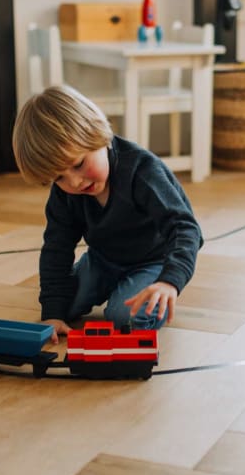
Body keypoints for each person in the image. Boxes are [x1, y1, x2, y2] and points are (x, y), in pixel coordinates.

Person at [12, 84, 203, 343]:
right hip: (103, 260)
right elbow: (56, 247)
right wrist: (53, 315)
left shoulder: (142, 171)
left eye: (79, 164)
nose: (75, 182)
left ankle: (141, 290)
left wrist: (170, 280)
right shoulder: (65, 194)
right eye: (58, 177)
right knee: (60, 305)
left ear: (97, 134)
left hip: (152, 262)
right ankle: (114, 287)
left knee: (123, 318)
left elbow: (185, 228)